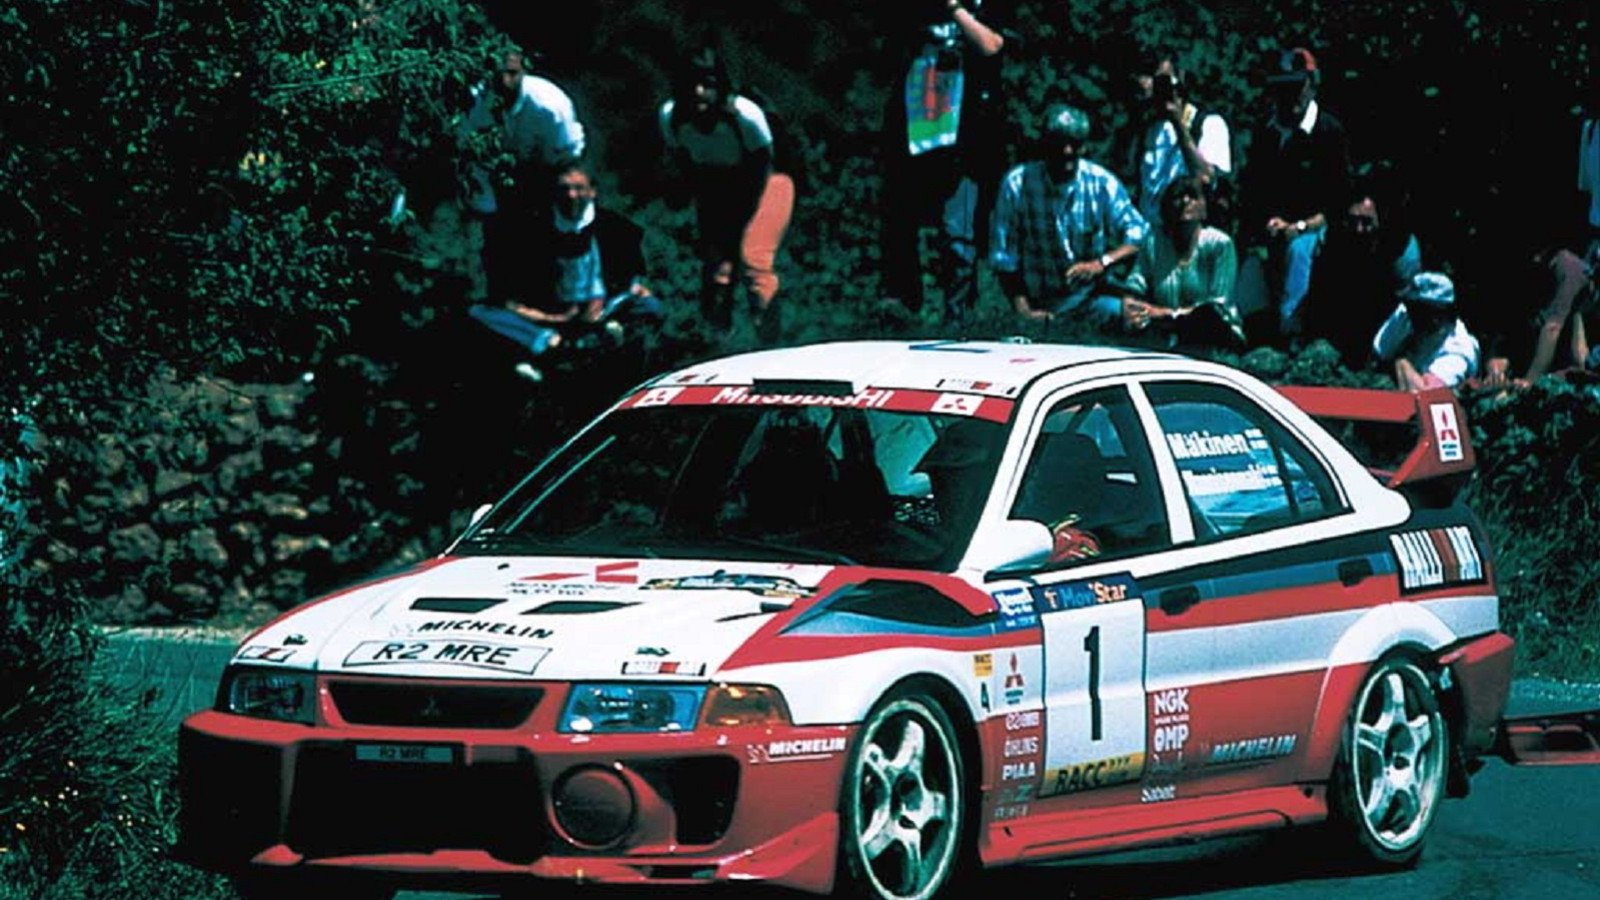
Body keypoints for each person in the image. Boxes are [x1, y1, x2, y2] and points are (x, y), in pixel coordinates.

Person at [877, 0, 1015, 324]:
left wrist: (954, 8)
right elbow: (887, 56)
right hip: (915, 135)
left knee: (958, 235)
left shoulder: (983, 9)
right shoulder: (915, 12)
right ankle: (904, 310)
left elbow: (991, 46)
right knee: (901, 228)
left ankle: (959, 318)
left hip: (964, 144)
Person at [468, 163, 663, 383]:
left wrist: (606, 304)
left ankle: (603, 342)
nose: (571, 195)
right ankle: (551, 345)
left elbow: (629, 277)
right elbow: (513, 292)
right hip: (552, 313)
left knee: (650, 305)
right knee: (481, 312)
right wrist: (549, 316)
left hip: (602, 310)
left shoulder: (616, 228)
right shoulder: (534, 229)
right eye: (564, 189)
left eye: (578, 188)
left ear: (592, 191)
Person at [660, 45, 795, 340]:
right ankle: (718, 340)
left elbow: (764, 166)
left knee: (754, 260)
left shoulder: (745, 116)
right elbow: (682, 164)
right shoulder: (672, 117)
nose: (698, 93)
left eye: (707, 85)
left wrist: (738, 220)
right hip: (715, 187)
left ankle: (771, 340)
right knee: (716, 271)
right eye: (690, 85)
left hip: (767, 183)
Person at [989, 104, 1148, 330]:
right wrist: (1023, 310)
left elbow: (1139, 234)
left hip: (1091, 298)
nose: (1066, 151)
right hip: (1037, 303)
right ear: (1044, 144)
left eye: (1074, 143)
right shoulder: (1017, 184)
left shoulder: (1102, 183)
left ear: (1084, 146)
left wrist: (1101, 263)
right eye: (1058, 144)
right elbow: (1004, 256)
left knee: (1135, 319)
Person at [457, 50, 586, 309]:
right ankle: (502, 307)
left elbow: (568, 158)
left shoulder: (549, 104)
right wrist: (487, 210)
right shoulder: (475, 105)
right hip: (499, 182)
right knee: (499, 252)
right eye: (499, 74)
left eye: (513, 73)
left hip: (547, 178)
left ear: (524, 71)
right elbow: (472, 159)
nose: (505, 81)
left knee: (549, 254)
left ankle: (556, 305)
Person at [1241, 46, 1352, 342]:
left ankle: (1291, 330)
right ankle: (1250, 329)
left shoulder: (1329, 131)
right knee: (1252, 258)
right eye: (1282, 88)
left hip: (1317, 228)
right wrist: (1269, 220)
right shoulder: (1266, 130)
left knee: (1299, 251)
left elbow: (1340, 201)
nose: (1289, 96)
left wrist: (1300, 226)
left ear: (1312, 85)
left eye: (1296, 86)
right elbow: (1255, 189)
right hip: (1275, 226)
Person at [1296, 185, 1423, 367]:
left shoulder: (1401, 248)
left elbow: (1405, 306)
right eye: (1353, 221)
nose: (1359, 229)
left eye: (1366, 222)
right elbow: (1321, 291)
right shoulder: (1333, 239)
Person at [1122, 176, 1246, 351]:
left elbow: (1218, 306)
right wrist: (1130, 309)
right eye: (1178, 197)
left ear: (1204, 208)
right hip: (1165, 333)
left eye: (1192, 196)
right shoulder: (1153, 242)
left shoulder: (1220, 244)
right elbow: (1135, 284)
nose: (1185, 201)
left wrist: (1165, 314)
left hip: (1215, 336)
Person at [1125, 56, 1234, 232]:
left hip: (1193, 234)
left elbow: (1205, 177)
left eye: (1164, 82)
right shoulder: (1146, 131)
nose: (1159, 90)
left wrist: (1178, 123)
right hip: (1153, 234)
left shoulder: (1208, 124)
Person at [1479, 245, 1597, 390]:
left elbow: (1552, 330)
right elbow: (1501, 334)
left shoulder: (1569, 271)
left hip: (1556, 378)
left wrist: (1530, 380)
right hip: (1523, 371)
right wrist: (1495, 368)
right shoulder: (1522, 272)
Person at [1373, 271, 1480, 391]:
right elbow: (1379, 354)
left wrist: (1402, 363)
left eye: (1421, 311)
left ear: (1443, 314)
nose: (1412, 315)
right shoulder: (1406, 314)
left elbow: (1426, 393)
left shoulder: (1457, 351)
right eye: (1411, 307)